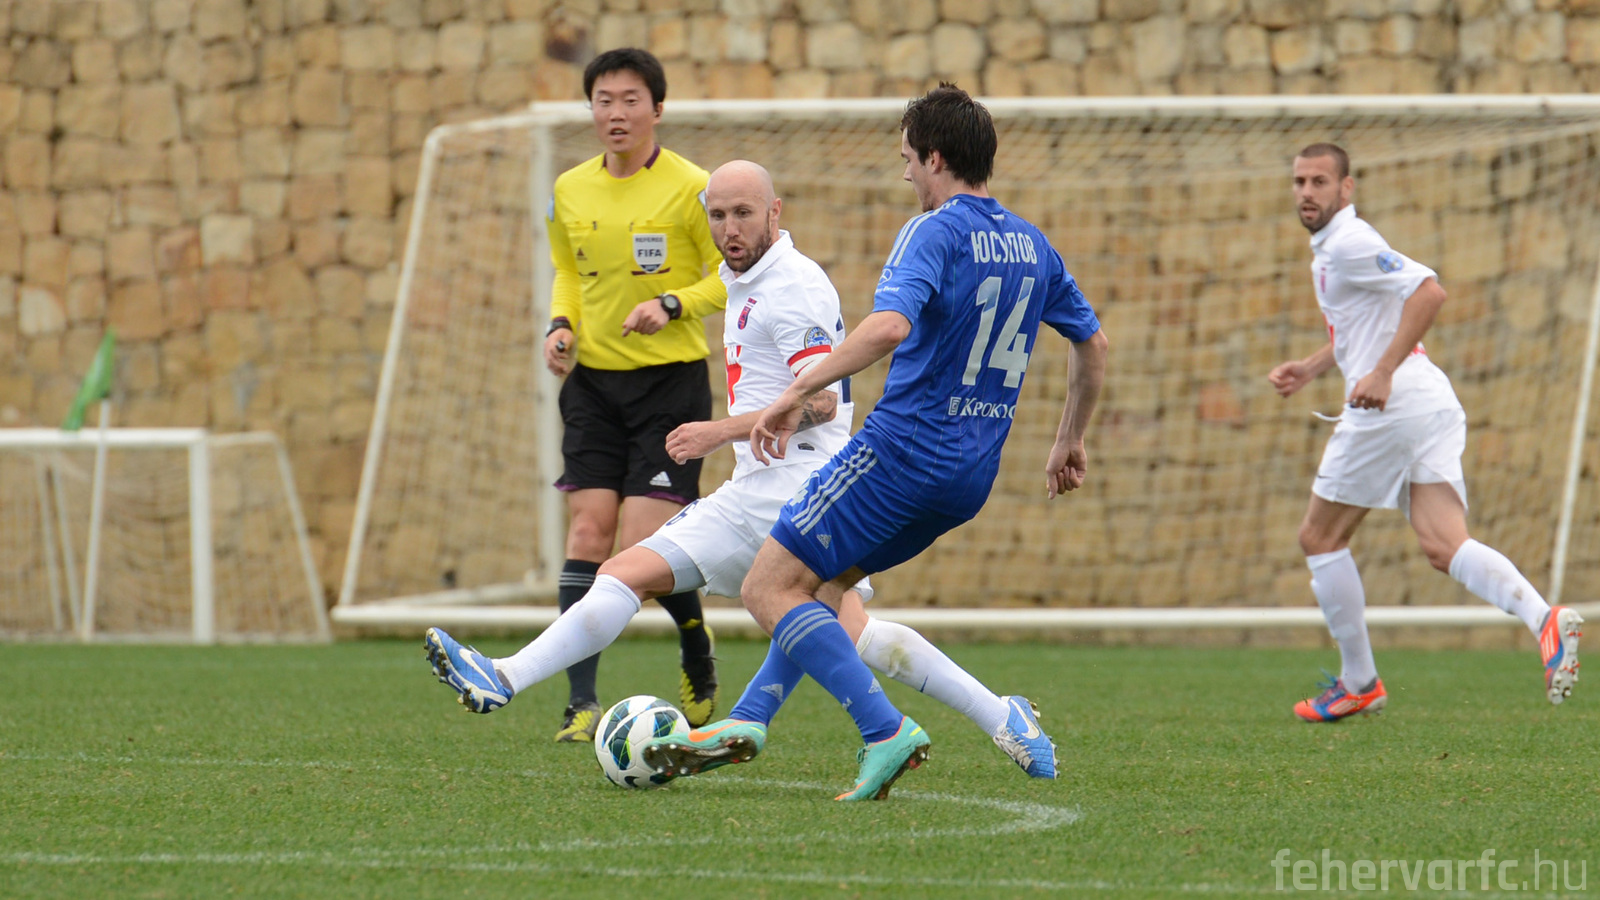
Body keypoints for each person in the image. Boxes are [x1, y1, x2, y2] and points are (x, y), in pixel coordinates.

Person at [424, 160, 1057, 779]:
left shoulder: (793, 285)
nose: (730, 228)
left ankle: (887, 726)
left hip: (800, 483)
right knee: (661, 583)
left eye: (744, 213)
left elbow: (823, 402)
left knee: (819, 620)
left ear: (774, 212)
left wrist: (717, 430)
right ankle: (507, 678)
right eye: (719, 215)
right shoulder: (743, 279)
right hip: (756, 484)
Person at [648, 85, 1108, 802]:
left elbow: (889, 327)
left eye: (907, 160)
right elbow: (1093, 342)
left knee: (768, 587)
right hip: (971, 474)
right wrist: (1069, 438)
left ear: (935, 158)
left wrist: (797, 392)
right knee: (823, 589)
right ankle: (749, 718)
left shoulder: (932, 231)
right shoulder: (1032, 244)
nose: (906, 174)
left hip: (900, 454)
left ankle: (884, 730)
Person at [1268, 142, 1582, 722]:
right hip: (1428, 400)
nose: (1306, 192)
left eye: (1319, 182)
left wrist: (1382, 371)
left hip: (1393, 404)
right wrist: (1312, 367)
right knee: (1444, 545)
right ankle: (1546, 621)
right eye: (1299, 182)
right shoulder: (1334, 248)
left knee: (1319, 538)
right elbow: (1364, 324)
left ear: (1346, 188)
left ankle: (1359, 682)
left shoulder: (1350, 242)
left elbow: (1428, 291)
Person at [479, 48, 724, 742]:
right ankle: (580, 704)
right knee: (588, 532)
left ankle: (695, 641)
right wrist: (560, 326)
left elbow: (725, 278)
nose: (616, 113)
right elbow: (568, 269)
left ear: (658, 109)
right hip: (592, 386)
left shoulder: (693, 188)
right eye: (603, 100)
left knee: (642, 547)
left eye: (630, 100)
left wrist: (671, 304)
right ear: (590, 109)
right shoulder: (569, 189)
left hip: (670, 386)